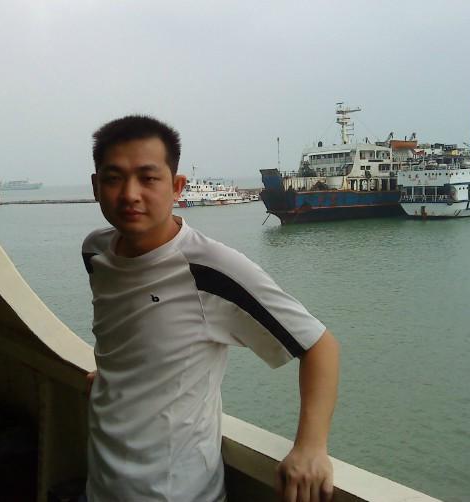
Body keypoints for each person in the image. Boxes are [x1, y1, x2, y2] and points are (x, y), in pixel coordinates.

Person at [82, 115, 339, 502]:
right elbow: (128, 326)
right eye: (114, 178)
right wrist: (118, 375)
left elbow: (319, 346)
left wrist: (311, 447)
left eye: (148, 178)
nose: (130, 194)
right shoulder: (96, 251)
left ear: (177, 187)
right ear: (95, 186)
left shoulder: (211, 270)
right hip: (99, 488)